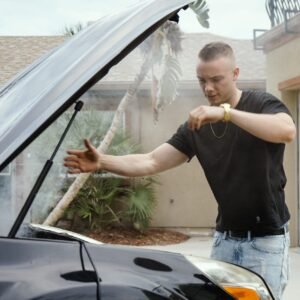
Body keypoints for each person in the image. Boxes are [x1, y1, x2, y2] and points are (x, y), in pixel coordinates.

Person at [64, 42, 296, 300]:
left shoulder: (261, 103)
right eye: (202, 81)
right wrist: (102, 162)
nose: (208, 88)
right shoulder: (196, 126)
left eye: (216, 80)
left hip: (265, 242)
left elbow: (286, 131)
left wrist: (226, 114)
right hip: (224, 240)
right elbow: (151, 161)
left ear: (235, 74)